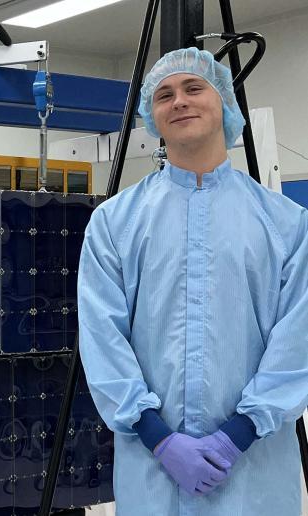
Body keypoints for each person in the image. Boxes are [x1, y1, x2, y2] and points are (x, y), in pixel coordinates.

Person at [78, 47, 308, 515]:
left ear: (223, 103)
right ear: (152, 117)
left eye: (193, 88)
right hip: (154, 470)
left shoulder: (286, 224)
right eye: (164, 95)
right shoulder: (114, 223)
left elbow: (299, 342)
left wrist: (236, 436)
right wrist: (159, 440)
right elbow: (103, 339)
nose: (178, 101)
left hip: (254, 470)